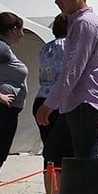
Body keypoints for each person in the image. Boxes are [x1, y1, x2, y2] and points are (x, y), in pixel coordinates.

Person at [35, 0, 98, 166]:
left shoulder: (85, 23)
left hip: (83, 102)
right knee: (56, 153)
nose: (57, 2)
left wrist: (50, 103)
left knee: (82, 161)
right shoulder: (80, 22)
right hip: (77, 102)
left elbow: (73, 68)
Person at [0, 12, 29, 194]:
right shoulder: (0, 48)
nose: (22, 34)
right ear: (13, 29)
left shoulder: (2, 48)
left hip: (4, 110)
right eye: (21, 30)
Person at [33, 14, 67, 146]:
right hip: (59, 101)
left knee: (49, 148)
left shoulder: (46, 47)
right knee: (64, 151)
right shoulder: (70, 46)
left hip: (41, 98)